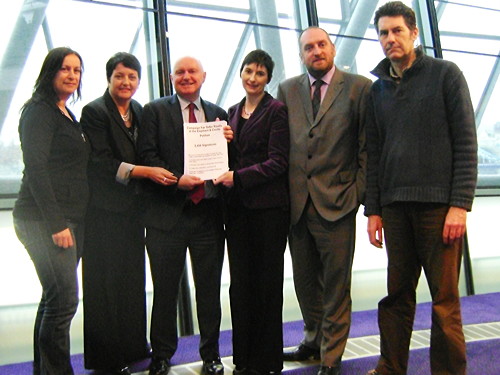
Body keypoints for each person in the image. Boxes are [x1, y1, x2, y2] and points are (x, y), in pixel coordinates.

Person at [364, 2, 478, 375]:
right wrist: (374, 209)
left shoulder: (446, 74)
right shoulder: (377, 90)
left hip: (438, 209)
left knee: (444, 301)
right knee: (396, 297)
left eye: (397, 30)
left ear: (414, 33)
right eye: (383, 32)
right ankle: (390, 366)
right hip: (395, 210)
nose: (390, 38)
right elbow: (375, 153)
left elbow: (465, 141)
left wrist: (459, 205)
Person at [277, 27, 371, 375]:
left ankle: (331, 357)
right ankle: (313, 339)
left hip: (339, 202)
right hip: (297, 205)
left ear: (331, 48)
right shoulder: (287, 90)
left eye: (321, 45)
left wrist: (359, 193)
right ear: (301, 55)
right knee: (304, 281)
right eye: (308, 48)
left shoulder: (360, 87)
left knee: (335, 284)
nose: (315, 51)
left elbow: (366, 146)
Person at [80, 52, 177, 375]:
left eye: (132, 77)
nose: (126, 83)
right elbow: (100, 162)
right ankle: (107, 357)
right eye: (120, 76)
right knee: (105, 283)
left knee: (132, 280)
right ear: (109, 78)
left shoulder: (138, 110)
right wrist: (144, 171)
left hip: (134, 213)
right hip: (105, 213)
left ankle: (134, 346)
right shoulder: (94, 112)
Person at [137, 56, 230, 375]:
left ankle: (212, 355)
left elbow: (228, 164)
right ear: (171, 77)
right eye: (180, 72)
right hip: (166, 217)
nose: (186, 76)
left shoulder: (218, 115)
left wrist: (231, 142)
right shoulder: (154, 111)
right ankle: (161, 356)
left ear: (204, 76)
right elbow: (147, 155)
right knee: (164, 291)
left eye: (192, 72)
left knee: (209, 291)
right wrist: (177, 180)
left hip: (207, 216)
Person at [12, 47, 88, 375]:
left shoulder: (66, 113)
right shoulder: (38, 111)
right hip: (43, 220)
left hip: (68, 218)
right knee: (64, 302)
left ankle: (44, 371)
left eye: (77, 70)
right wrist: (56, 224)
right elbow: (37, 169)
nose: (72, 75)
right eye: (64, 69)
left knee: (53, 299)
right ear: (50, 72)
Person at [214, 49, 289, 375]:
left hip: (268, 211)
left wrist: (238, 177)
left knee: (267, 284)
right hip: (239, 212)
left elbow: (278, 162)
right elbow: (233, 157)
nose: (253, 78)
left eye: (260, 73)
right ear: (241, 73)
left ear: (268, 78)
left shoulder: (276, 111)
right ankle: (244, 359)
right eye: (248, 71)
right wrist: (224, 143)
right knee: (240, 285)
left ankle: (268, 360)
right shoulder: (231, 112)